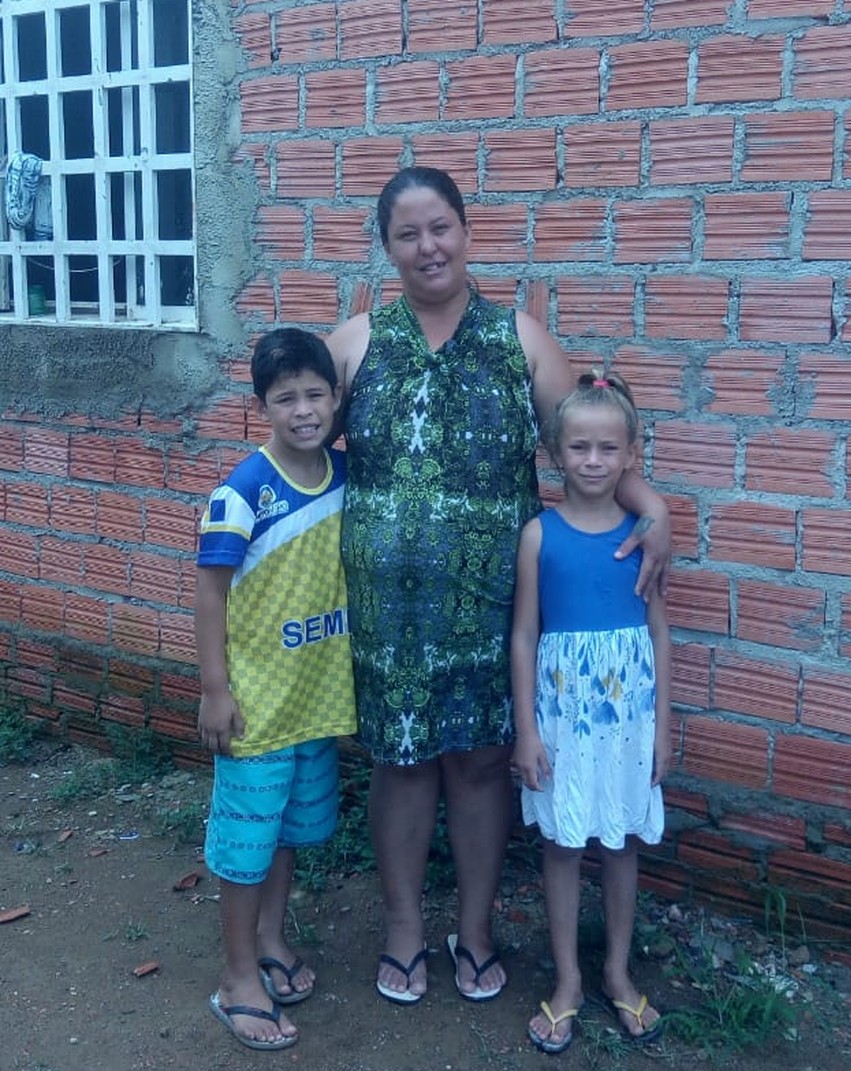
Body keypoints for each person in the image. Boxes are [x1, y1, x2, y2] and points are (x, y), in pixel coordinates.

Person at [326, 166, 671, 1005]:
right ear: (387, 247)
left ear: (467, 231)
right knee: (402, 765)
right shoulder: (356, 342)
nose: (427, 246)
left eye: (440, 226)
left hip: (494, 607)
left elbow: (588, 440)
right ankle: (406, 930)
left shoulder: (518, 338)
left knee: (482, 767)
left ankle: (474, 931)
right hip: (390, 612)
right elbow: (299, 441)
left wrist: (653, 507)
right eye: (407, 234)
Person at [195, 328, 355, 1050]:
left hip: (314, 700)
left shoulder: (347, 477)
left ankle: (269, 938)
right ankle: (236, 978)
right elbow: (209, 595)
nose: (302, 409)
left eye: (315, 394)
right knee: (246, 841)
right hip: (256, 703)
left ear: (336, 398)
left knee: (286, 831)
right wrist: (214, 688)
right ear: (262, 404)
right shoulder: (241, 492)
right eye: (285, 397)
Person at [511, 371, 671, 1054]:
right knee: (564, 844)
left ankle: (615, 968)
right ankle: (569, 978)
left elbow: (659, 629)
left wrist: (667, 721)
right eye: (579, 447)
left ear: (631, 453)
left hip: (629, 717)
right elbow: (523, 635)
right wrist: (526, 729)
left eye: (608, 448)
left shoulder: (644, 534)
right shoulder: (538, 536)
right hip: (564, 717)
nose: (594, 461)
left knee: (622, 841)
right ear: (554, 452)